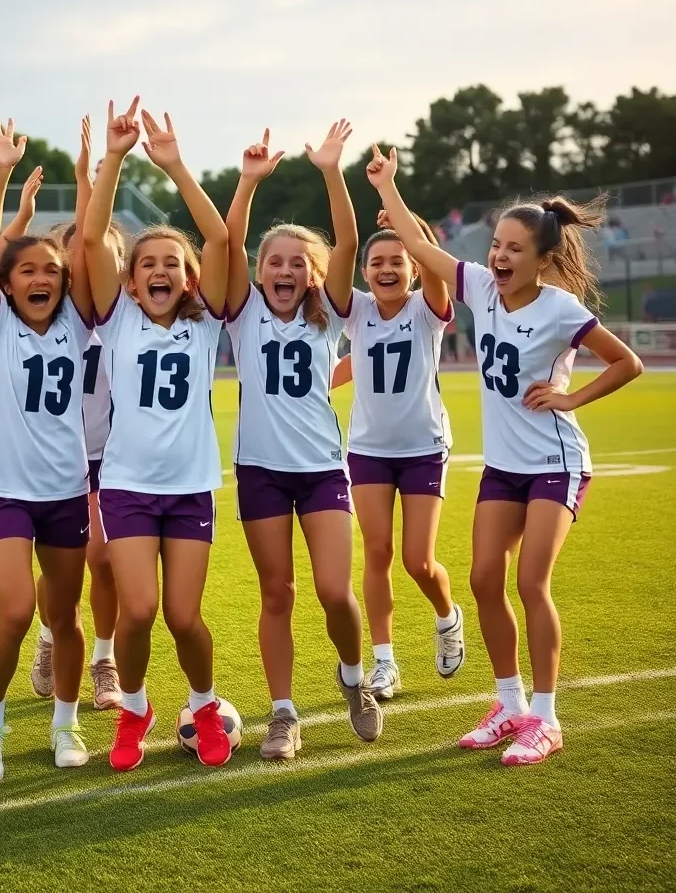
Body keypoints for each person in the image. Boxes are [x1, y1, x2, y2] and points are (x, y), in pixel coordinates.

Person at [368, 144, 643, 765]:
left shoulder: (559, 308)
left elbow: (626, 362)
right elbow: (418, 245)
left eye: (515, 249)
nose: (499, 256)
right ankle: (510, 705)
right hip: (504, 468)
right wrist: (388, 186)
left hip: (557, 464)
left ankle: (545, 718)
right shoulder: (479, 289)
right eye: (497, 244)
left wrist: (572, 399)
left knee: (530, 581)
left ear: (544, 259)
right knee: (484, 579)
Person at [225, 122, 383, 761]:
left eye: (298, 262)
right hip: (260, 470)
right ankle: (284, 713)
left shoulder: (331, 314)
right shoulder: (242, 310)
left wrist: (329, 170)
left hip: (320, 468)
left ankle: (353, 680)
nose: (284, 269)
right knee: (277, 592)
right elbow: (225, 238)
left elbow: (347, 238)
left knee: (334, 591)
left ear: (314, 276)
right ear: (259, 272)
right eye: (273, 261)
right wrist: (247, 182)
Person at [84, 98, 233, 772]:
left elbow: (225, 241)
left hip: (191, 486)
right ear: (132, 279)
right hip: (128, 487)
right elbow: (89, 242)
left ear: (189, 276)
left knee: (183, 616)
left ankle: (203, 704)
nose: (160, 271)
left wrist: (173, 165)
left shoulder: (206, 325)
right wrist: (113, 157)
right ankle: (138, 705)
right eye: (148, 264)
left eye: (173, 262)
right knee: (137, 611)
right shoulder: (116, 320)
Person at [0, 114, 95, 782]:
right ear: (10, 283)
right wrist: (0, 173)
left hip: (66, 489)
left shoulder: (76, 321)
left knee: (64, 616)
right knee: (16, 609)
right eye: (29, 271)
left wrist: (88, 177)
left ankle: (65, 723)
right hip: (3, 491)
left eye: (52, 269)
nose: (42, 277)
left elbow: (91, 241)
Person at [338, 206, 463, 702]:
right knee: (377, 553)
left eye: (398, 260)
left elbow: (435, 262)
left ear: (413, 268)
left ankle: (447, 616)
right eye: (377, 262)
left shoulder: (425, 308)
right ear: (365, 272)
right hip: (368, 449)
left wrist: (412, 223)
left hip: (422, 448)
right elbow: (352, 360)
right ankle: (385, 661)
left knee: (418, 560)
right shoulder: (357, 310)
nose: (387, 269)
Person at [28, 121, 125, 711]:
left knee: (105, 558)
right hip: (55, 455)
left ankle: (105, 657)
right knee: (61, 565)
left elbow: (95, 244)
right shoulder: (50, 320)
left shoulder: (130, 315)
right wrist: (83, 180)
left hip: (111, 455)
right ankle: (49, 634)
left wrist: (89, 178)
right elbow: (84, 243)